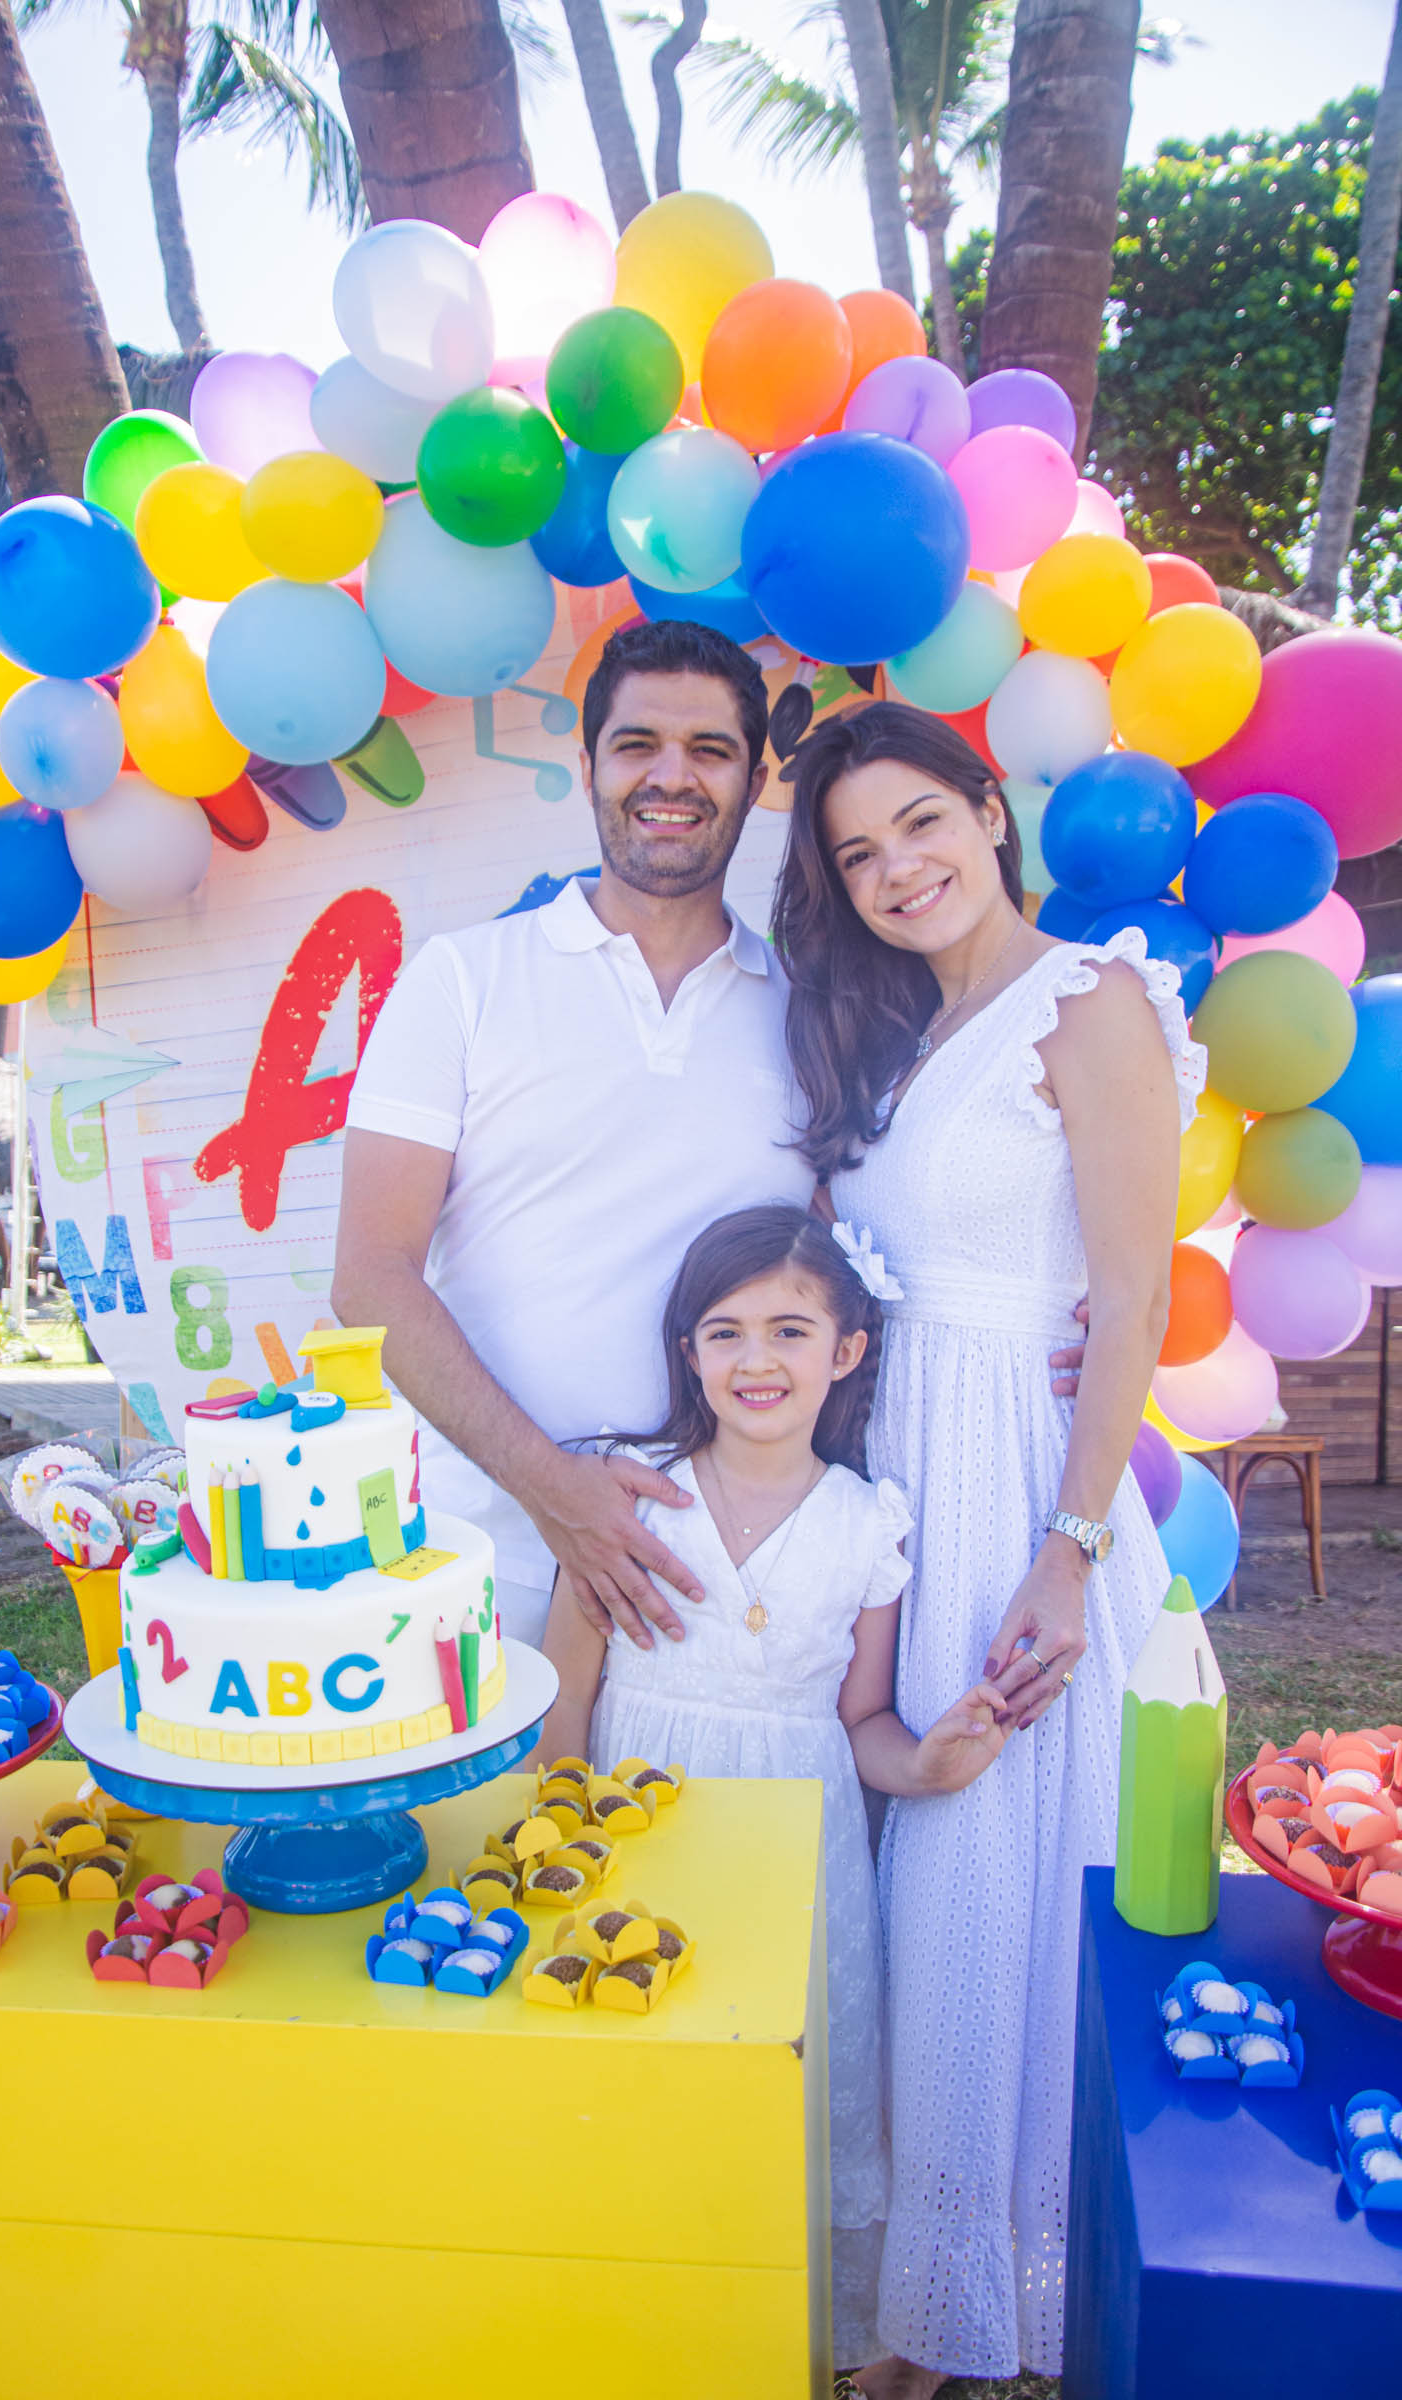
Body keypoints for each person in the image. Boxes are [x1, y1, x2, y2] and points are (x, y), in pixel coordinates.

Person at [772, 702, 1200, 2397]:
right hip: (910, 1479)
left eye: (920, 825)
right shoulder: (897, 1034)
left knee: (992, 1868)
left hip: (1024, 1490)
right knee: (916, 1856)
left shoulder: (1091, 1002)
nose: (898, 871)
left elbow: (1133, 1299)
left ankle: (976, 2304)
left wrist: (1067, 1552)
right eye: (858, 855)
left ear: (988, 812)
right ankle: (928, 2276)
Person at [538, 1203, 1010, 2373]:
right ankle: (638, 2317)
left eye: (790, 1331)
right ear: (688, 1352)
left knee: (787, 2077)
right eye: (726, 1332)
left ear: (845, 1351)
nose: (757, 1359)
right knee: (643, 2063)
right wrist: (563, 1841)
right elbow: (564, 1700)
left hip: (797, 1867)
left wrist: (925, 1764)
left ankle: (776, 2332)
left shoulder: (866, 1522)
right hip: (643, 1837)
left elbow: (860, 1721)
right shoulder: (624, 1496)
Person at [334, 618, 817, 1649]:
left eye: (711, 750)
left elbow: (858, 1253)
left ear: (755, 779)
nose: (671, 777)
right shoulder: (462, 979)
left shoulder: (809, 1015)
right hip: (480, 1555)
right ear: (589, 765)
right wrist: (553, 1489)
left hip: (724, 1579)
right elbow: (369, 1277)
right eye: (638, 745)